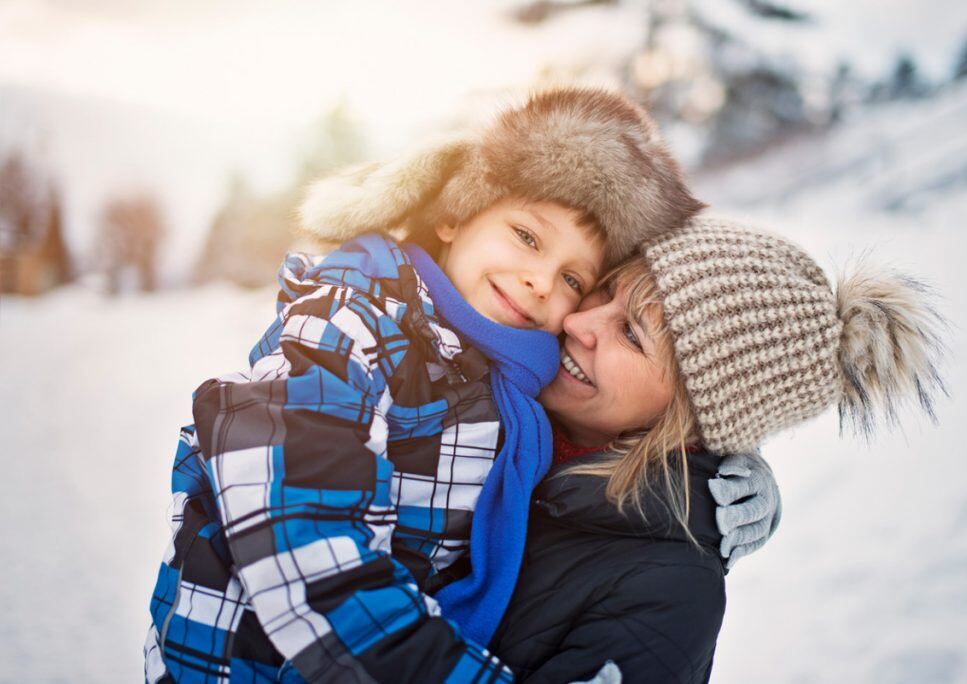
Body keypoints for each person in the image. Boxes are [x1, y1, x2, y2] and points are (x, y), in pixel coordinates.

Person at [145, 88, 776, 683]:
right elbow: (300, 535)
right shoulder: (350, 322)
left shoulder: (508, 376)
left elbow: (622, 442)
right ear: (455, 213)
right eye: (526, 237)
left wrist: (712, 472)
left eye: (574, 281)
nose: (540, 284)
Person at [491, 216, 948, 683]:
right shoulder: (496, 383)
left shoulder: (670, 594)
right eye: (604, 291)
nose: (576, 320)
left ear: (690, 420)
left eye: (631, 333)